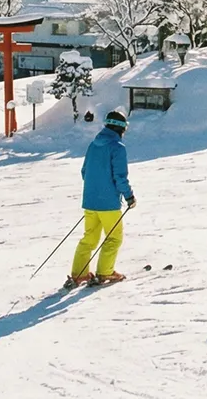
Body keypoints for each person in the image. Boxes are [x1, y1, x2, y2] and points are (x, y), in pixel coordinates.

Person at [66, 109, 136, 288]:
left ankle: (79, 274)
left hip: (90, 201)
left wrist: (94, 190)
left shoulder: (93, 145)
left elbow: (84, 171)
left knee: (89, 238)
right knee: (114, 238)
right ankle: (105, 271)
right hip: (109, 204)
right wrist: (129, 196)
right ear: (121, 128)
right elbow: (120, 177)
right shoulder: (117, 148)